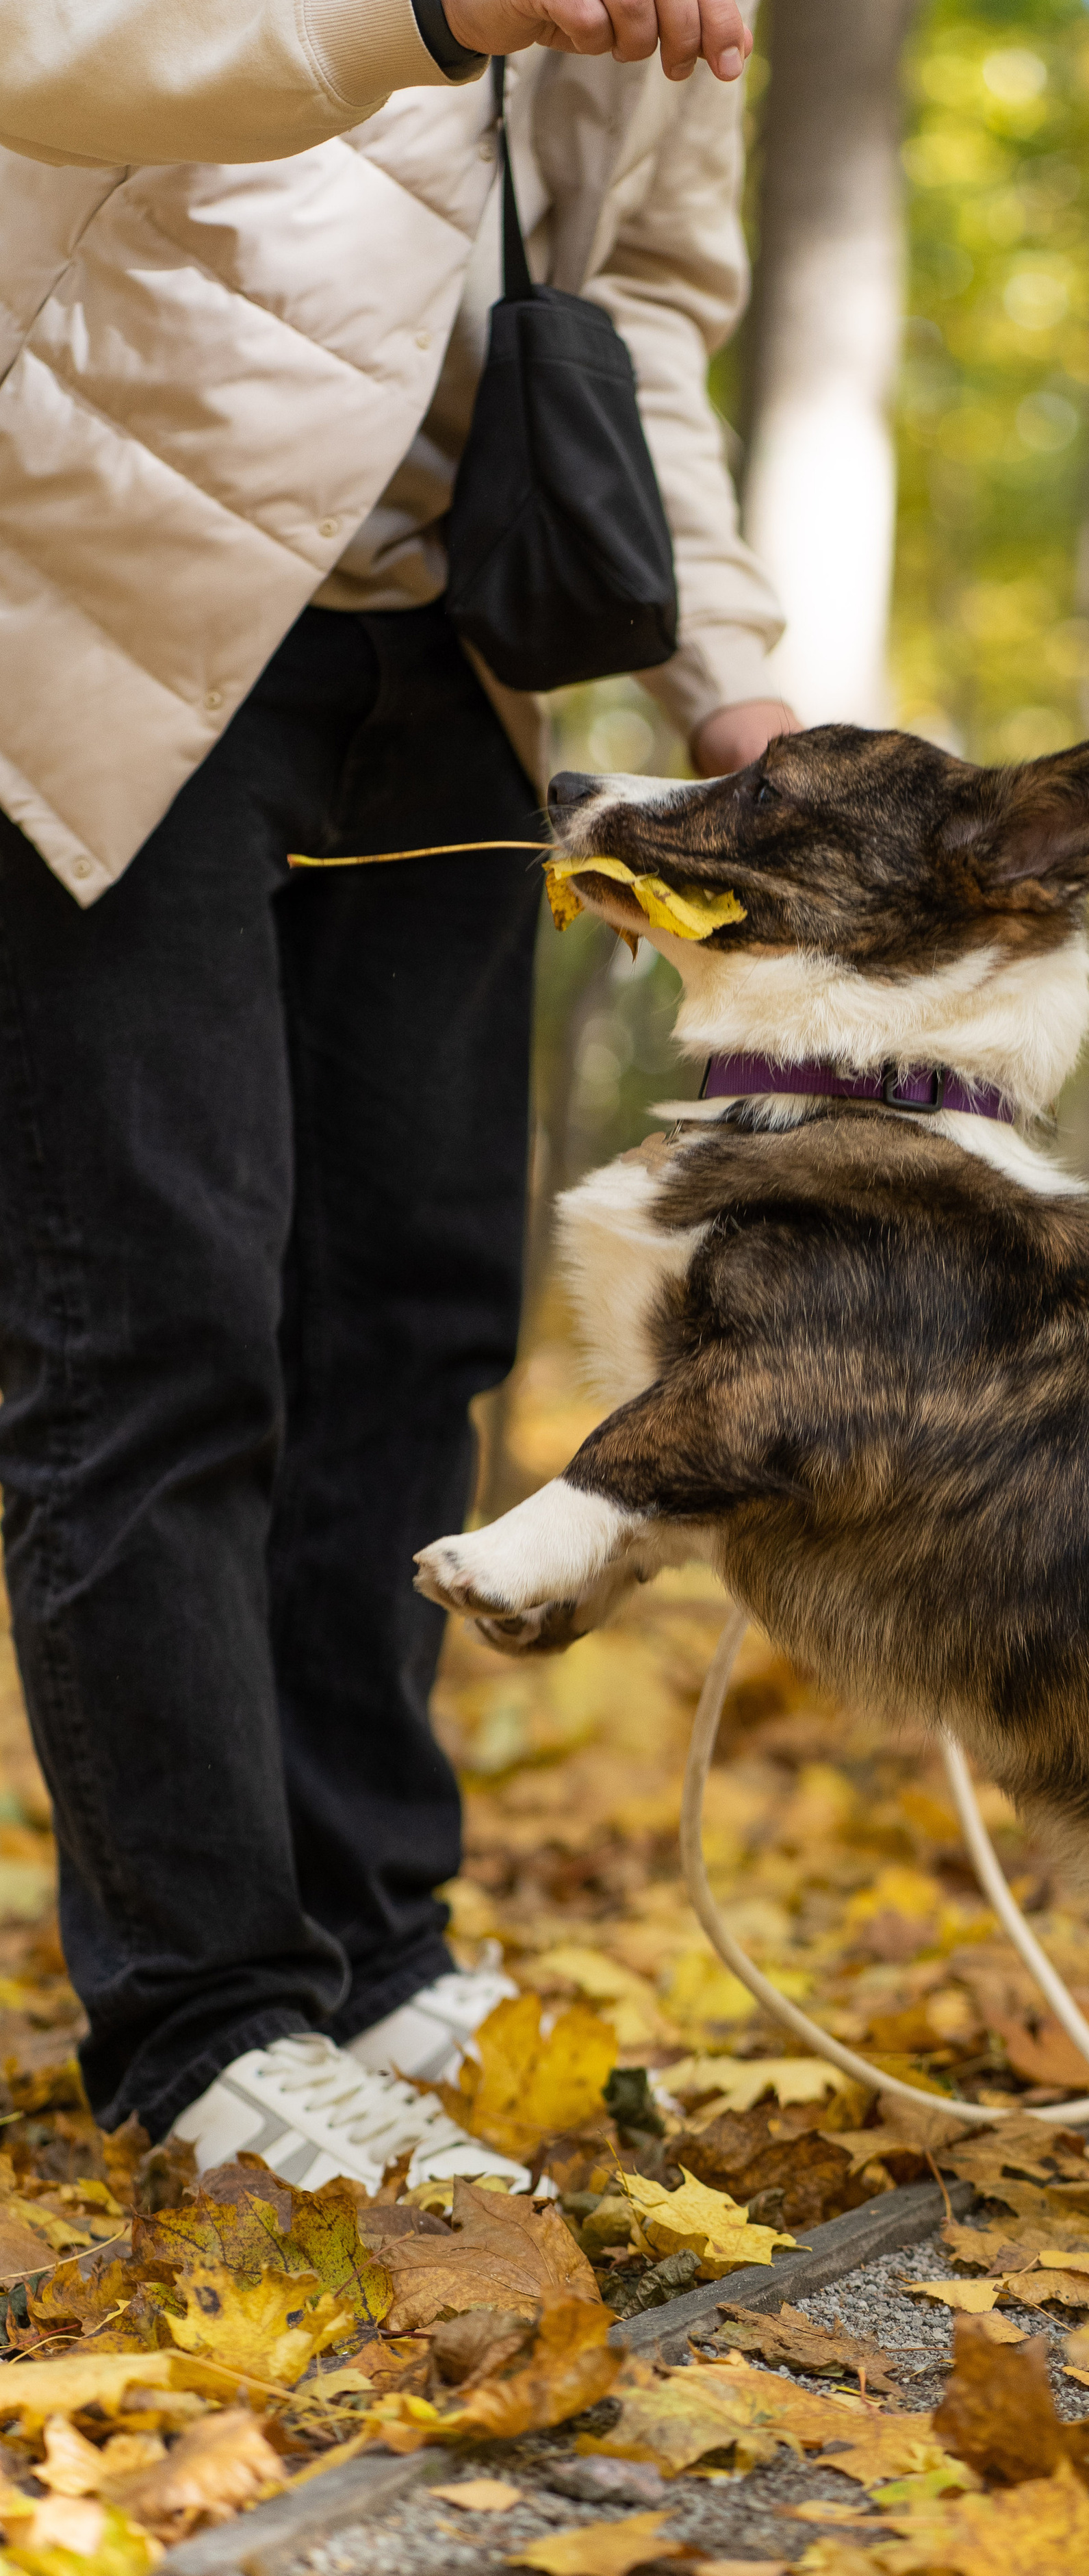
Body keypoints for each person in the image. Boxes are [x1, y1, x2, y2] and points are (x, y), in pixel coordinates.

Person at [0, 0, 799, 2192]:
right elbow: (60, 57)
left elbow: (636, 300)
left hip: (449, 662)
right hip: (94, 603)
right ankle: (204, 2022)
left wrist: (733, 687)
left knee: (415, 1324)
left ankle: (363, 1949)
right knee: (157, 1326)